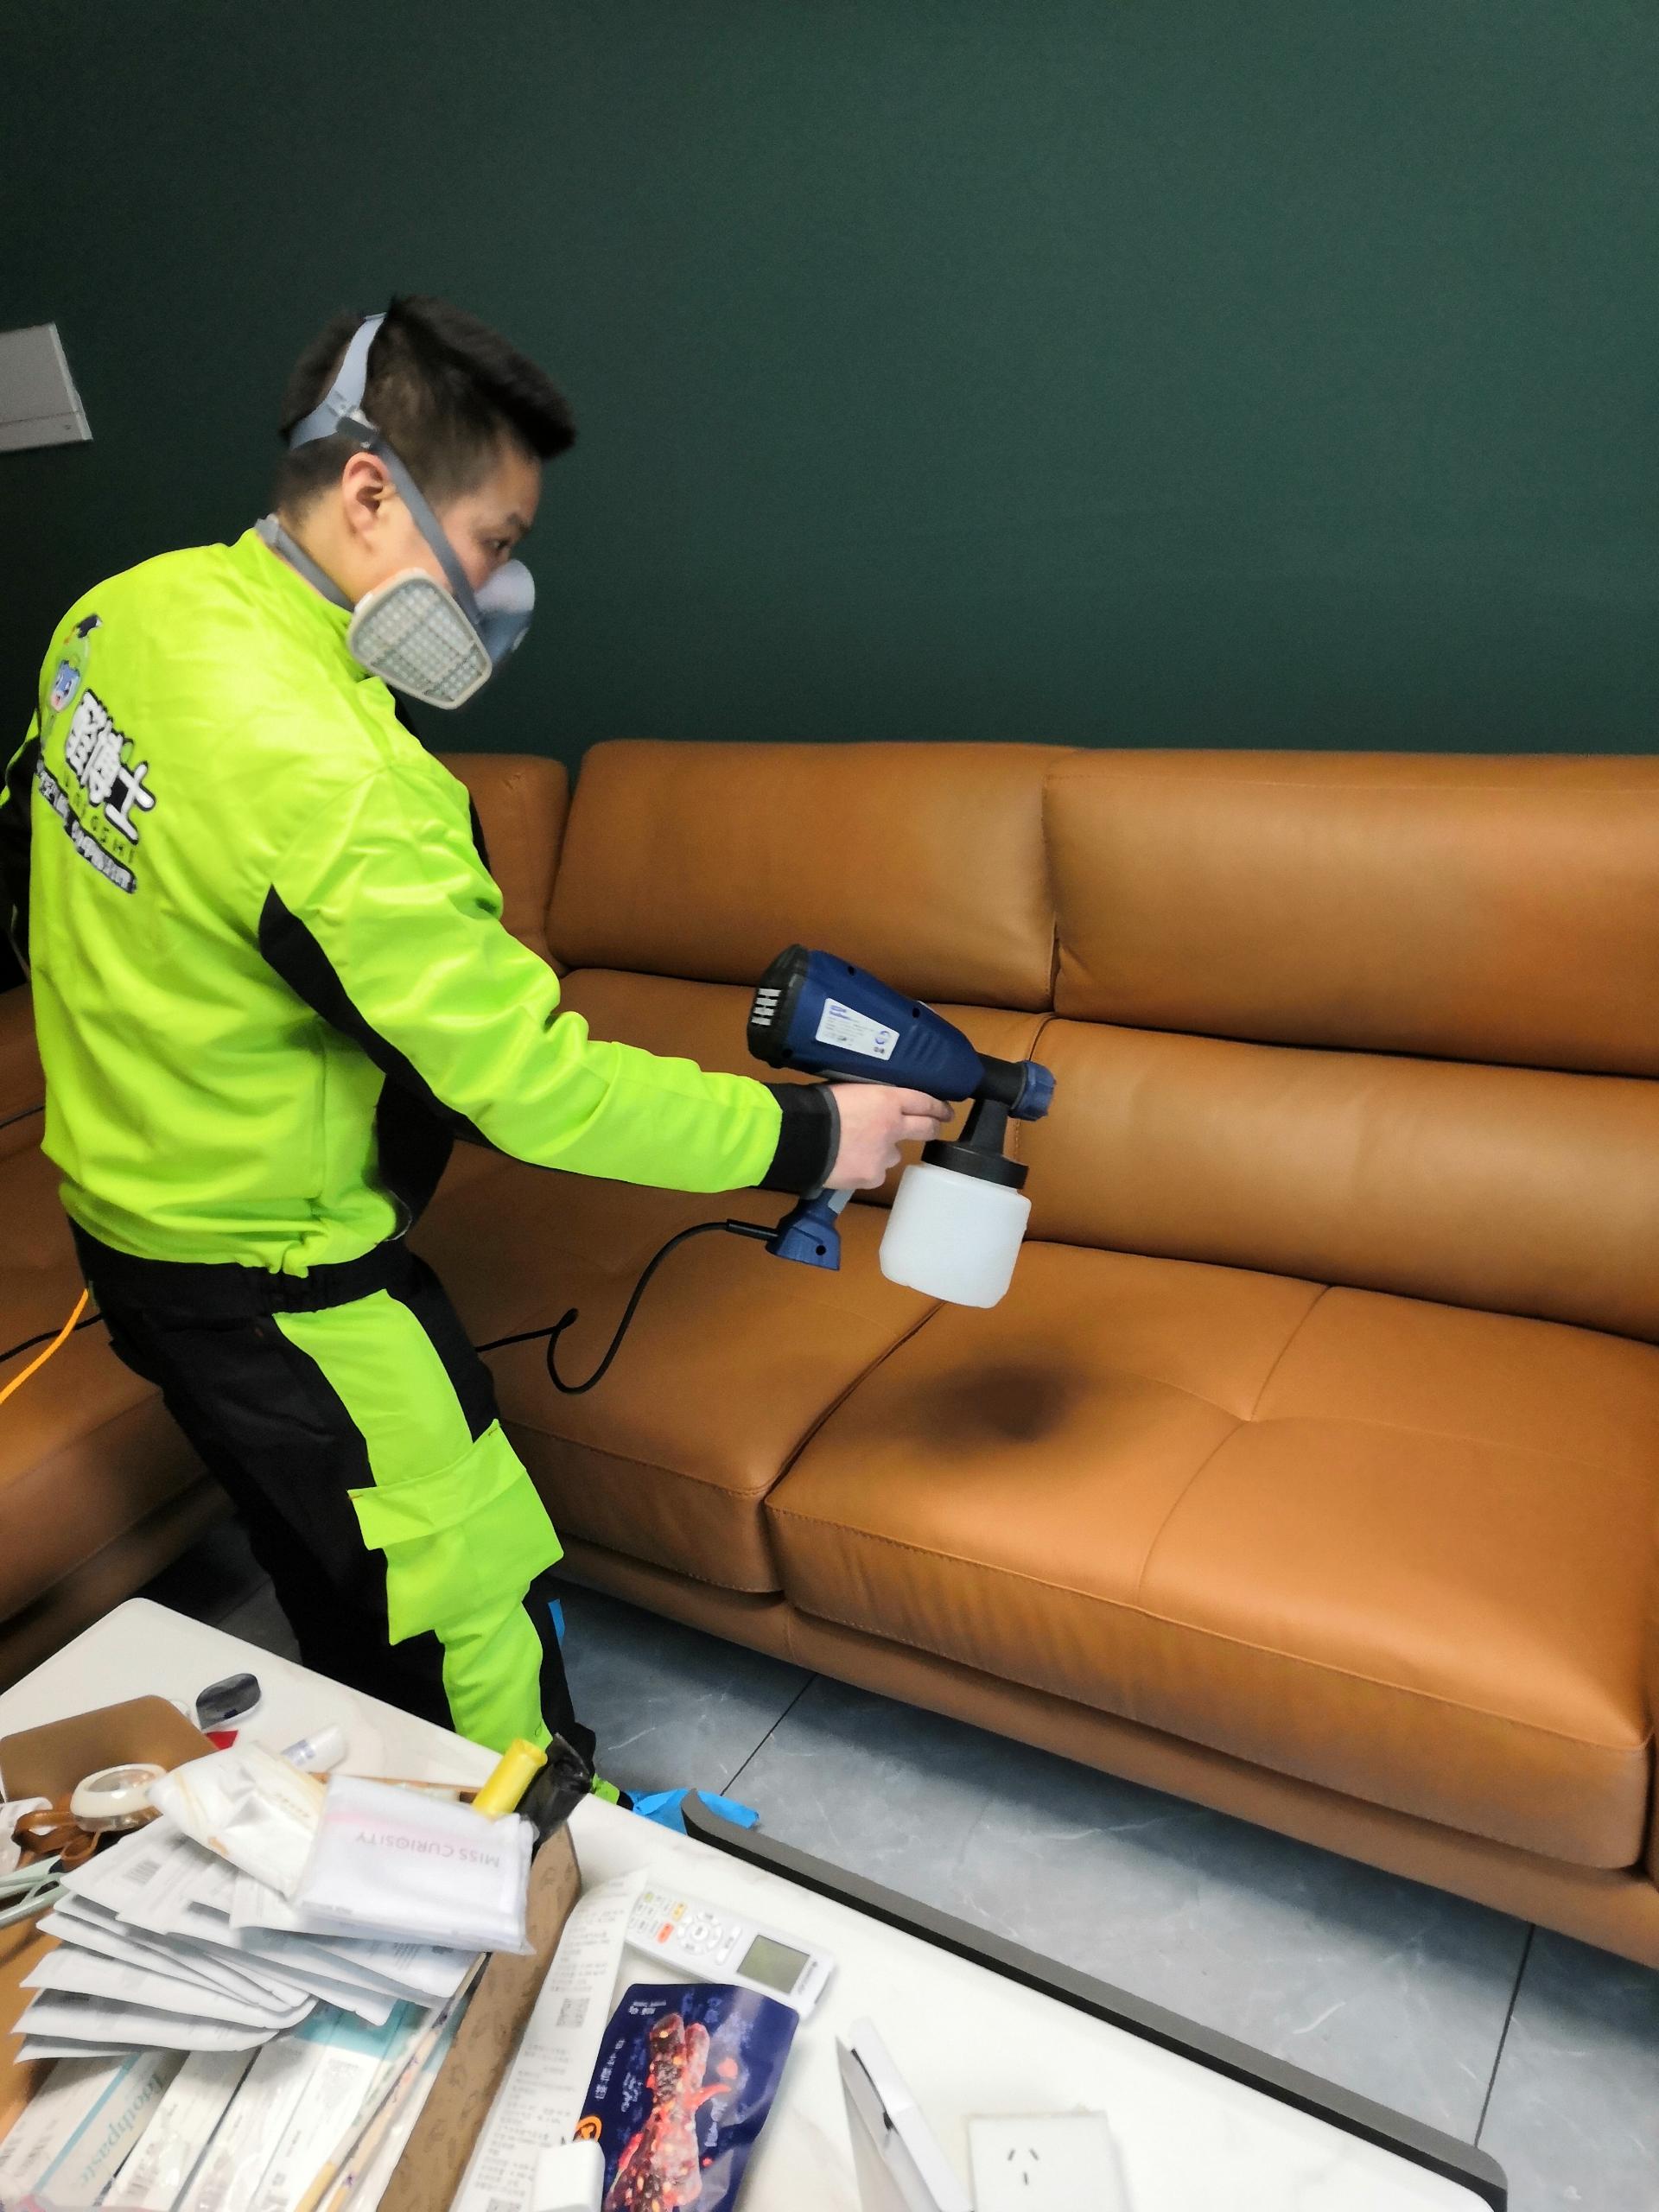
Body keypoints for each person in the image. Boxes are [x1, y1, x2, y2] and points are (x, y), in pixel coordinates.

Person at [0, 295, 948, 1773]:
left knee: (331, 1565)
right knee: (467, 1616)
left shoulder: (124, 612)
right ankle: (520, 1864)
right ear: (371, 492)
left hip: (126, 1237)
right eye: (497, 540)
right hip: (289, 1288)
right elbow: (535, 1090)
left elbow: (38, 849)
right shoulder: (345, 785)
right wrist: (816, 1132)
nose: (504, 587)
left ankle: (371, 1789)